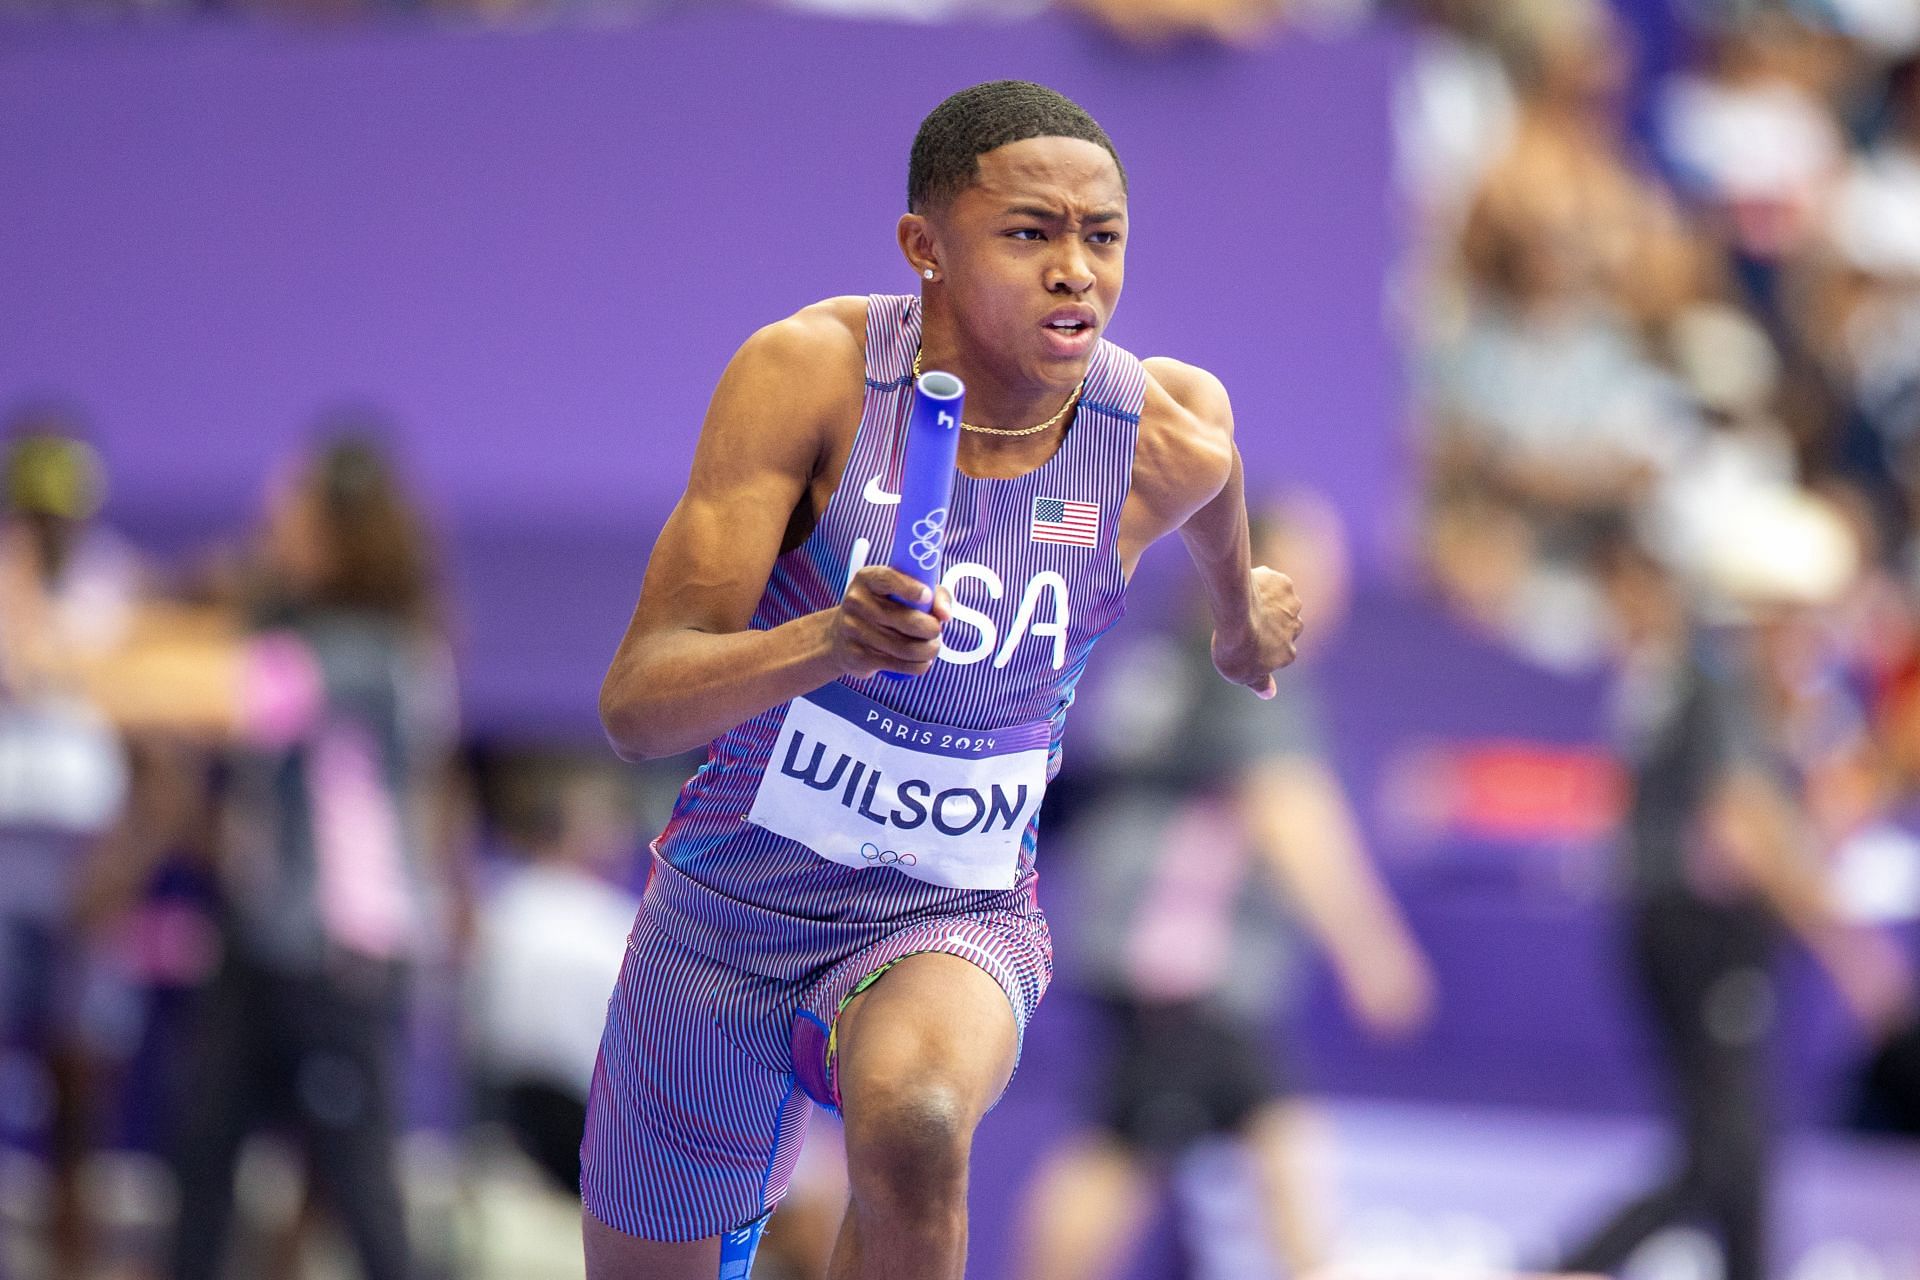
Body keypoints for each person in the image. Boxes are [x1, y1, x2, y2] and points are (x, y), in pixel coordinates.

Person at [585, 80, 1302, 1280]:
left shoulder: (1163, 427)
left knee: (915, 1119)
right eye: (1031, 232)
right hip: (723, 919)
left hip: (951, 910)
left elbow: (1220, 483)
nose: (1077, 269)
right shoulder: (807, 377)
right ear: (923, 245)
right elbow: (636, 704)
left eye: (1104, 235)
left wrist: (1239, 620)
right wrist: (828, 641)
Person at [1014, 499, 1433, 1280]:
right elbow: (1289, 809)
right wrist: (1373, 952)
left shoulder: (1167, 657)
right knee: (1121, 1146)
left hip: (1139, 939)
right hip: (1181, 954)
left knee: (1278, 1128)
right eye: (1313, 567)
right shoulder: (1249, 658)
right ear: (1255, 569)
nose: (1330, 591)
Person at [1555, 501, 1912, 1280]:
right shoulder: (1717, 677)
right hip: (1699, 937)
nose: (1823, 635)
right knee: (1724, 1155)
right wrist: (1852, 953)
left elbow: (1805, 820)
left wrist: (1864, 773)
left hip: (1697, 934)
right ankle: (1556, 1269)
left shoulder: (1760, 696)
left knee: (1739, 1163)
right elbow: (1742, 832)